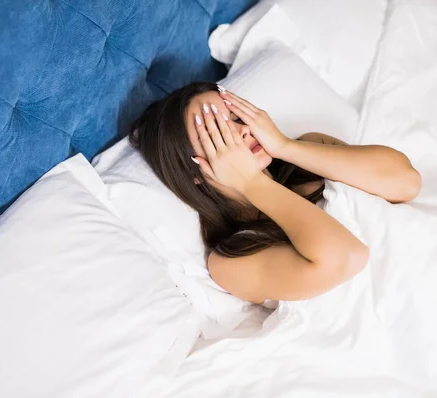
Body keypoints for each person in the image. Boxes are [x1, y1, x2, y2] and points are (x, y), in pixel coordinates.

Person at [130, 82, 421, 304]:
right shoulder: (230, 260)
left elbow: (406, 183)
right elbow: (346, 258)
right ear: (193, 171)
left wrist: (285, 147)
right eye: (218, 132)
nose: (242, 131)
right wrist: (249, 183)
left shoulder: (307, 152)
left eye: (236, 117)